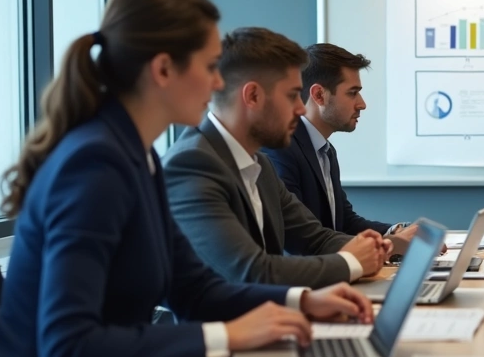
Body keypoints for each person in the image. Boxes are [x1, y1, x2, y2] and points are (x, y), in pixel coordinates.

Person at [0, 0, 372, 357]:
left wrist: (304, 301)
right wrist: (229, 335)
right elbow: (69, 349)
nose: (216, 82)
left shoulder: (137, 157)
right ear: (163, 69)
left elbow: (195, 289)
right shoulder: (94, 165)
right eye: (208, 67)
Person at [163, 27, 390, 288]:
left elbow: (315, 239)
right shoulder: (191, 165)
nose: (300, 108)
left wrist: (375, 247)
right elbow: (252, 272)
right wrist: (352, 261)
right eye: (292, 95)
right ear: (253, 96)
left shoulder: (260, 165)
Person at [261, 43, 418, 254]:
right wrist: (388, 245)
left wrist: (396, 231)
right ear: (318, 95)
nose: (362, 104)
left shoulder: (325, 150)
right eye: (353, 93)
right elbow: (301, 239)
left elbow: (344, 222)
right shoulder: (282, 150)